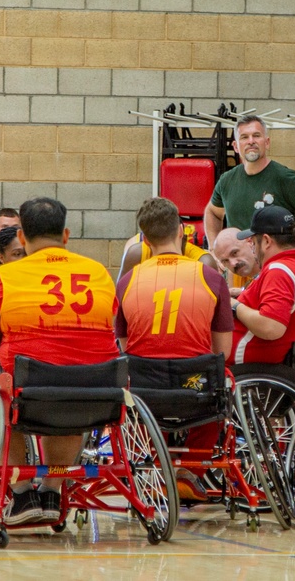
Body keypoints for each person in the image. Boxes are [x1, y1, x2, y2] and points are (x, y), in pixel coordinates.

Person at [0, 197, 119, 524]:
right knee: (68, 391)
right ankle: (53, 487)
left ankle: (24, 493)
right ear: (66, 235)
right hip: (95, 396)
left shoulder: (2, 278)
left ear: (22, 237)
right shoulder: (99, 273)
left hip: (30, 395)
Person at [115, 197, 233, 502]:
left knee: (142, 384)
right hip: (196, 391)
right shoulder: (209, 276)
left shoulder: (127, 281)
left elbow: (125, 347)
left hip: (145, 391)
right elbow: (222, 350)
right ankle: (188, 474)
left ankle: (157, 468)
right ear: (181, 231)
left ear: (143, 238)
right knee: (220, 379)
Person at [203, 114, 295, 246]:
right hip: (238, 263)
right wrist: (214, 248)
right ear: (235, 146)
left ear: (267, 143)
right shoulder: (226, 180)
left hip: (273, 264)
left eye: (256, 135)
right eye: (244, 137)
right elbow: (212, 212)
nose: (251, 141)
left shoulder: (285, 177)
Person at [229, 205, 295, 366]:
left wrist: (234, 305)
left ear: (267, 241)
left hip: (245, 362)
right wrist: (240, 293)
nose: (252, 248)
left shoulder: (278, 271)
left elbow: (271, 326)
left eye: (253, 242)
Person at [118, 226, 218, 282]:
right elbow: (119, 300)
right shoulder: (135, 251)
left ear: (181, 233)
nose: (167, 254)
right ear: (147, 241)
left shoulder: (203, 261)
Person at [211, 227, 260, 297]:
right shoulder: (234, 272)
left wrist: (246, 293)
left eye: (234, 253)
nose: (233, 264)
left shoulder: (273, 268)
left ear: (250, 242)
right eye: (225, 261)